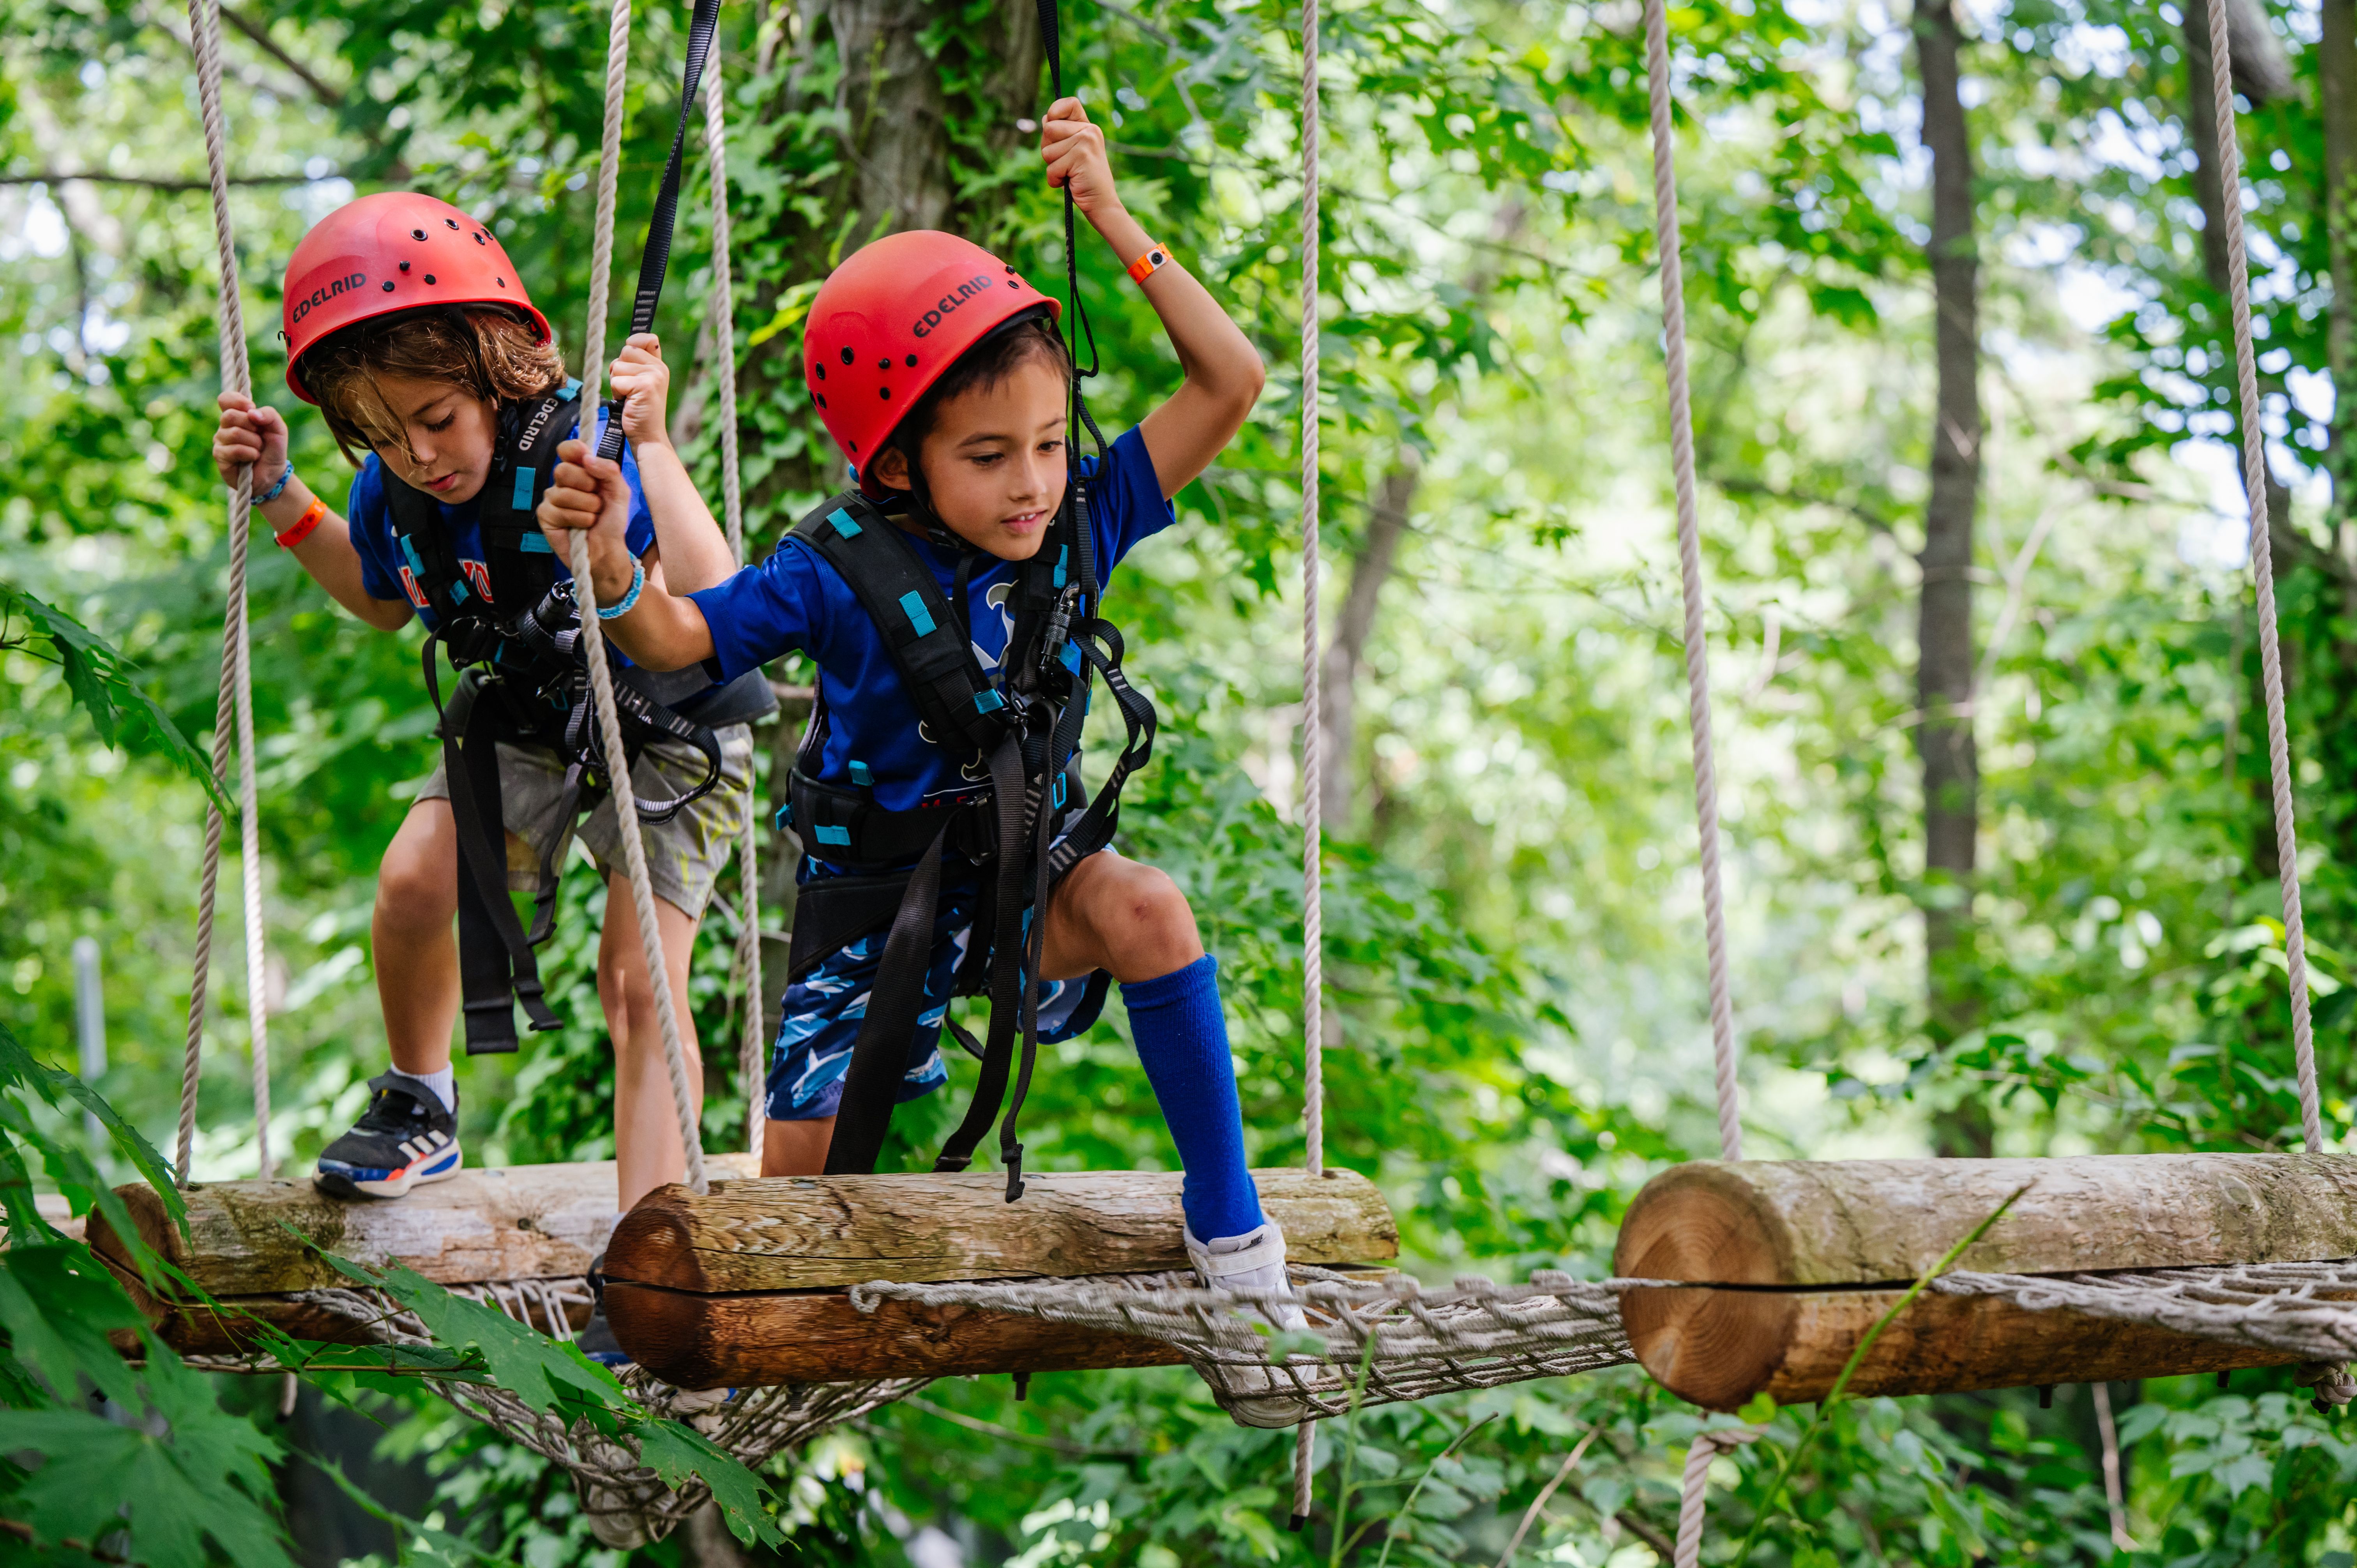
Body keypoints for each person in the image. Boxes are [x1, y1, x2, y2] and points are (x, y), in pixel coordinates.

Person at [535, 98, 1304, 1314]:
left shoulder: (1082, 520)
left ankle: (1235, 1248)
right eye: (990, 457)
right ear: (897, 462)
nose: (1035, 484)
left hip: (1018, 888)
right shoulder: (833, 568)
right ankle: (698, 1351)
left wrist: (1113, 221)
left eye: (1051, 445)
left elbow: (1232, 379)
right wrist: (619, 573)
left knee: (1151, 908)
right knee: (801, 1200)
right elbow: (684, 640)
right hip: (866, 905)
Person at [210, 192, 769, 1216]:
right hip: (529, 720)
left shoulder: (577, 451)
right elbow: (381, 602)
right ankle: (422, 1104)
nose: (422, 455)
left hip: (675, 722)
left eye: (437, 420)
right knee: (414, 881)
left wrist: (647, 447)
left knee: (639, 980)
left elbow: (715, 593)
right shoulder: (396, 495)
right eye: (383, 437)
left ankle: (655, 1240)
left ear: (494, 374)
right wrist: (287, 494)